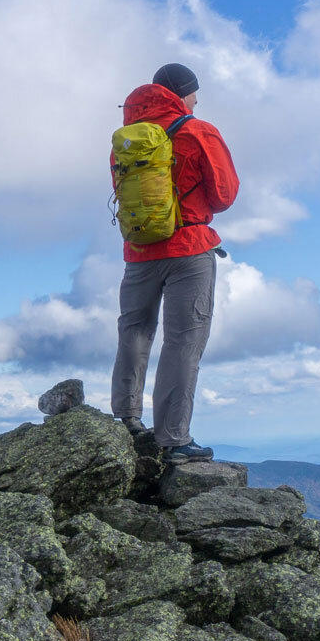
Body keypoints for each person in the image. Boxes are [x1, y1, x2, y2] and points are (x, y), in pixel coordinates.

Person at [111, 62, 239, 464]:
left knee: (134, 329)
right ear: (181, 93)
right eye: (194, 93)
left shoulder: (128, 139)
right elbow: (224, 194)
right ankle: (174, 439)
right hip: (188, 248)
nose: (197, 100)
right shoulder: (198, 130)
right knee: (184, 341)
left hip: (139, 251)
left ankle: (127, 417)